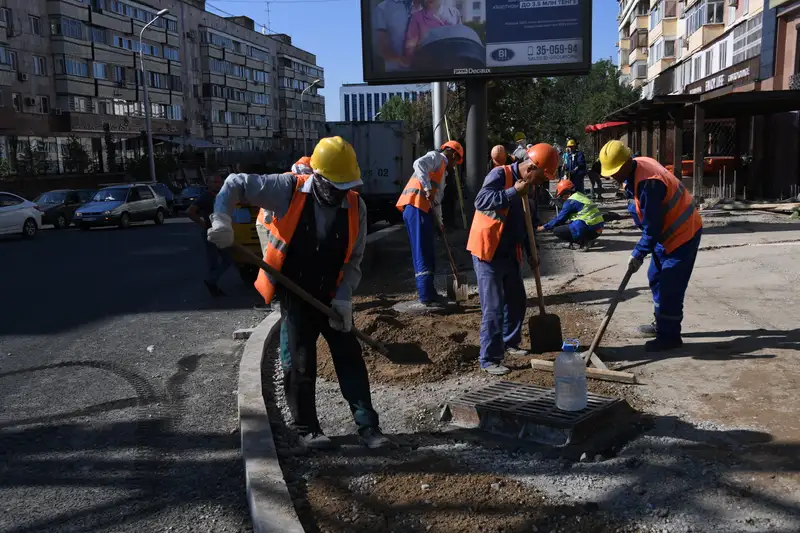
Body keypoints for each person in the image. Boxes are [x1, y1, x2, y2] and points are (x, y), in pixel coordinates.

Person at [207, 136, 391, 450]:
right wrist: (221, 219)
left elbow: (355, 258)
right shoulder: (286, 189)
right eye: (335, 187)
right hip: (294, 288)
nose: (340, 195)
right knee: (300, 360)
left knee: (350, 356)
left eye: (346, 187)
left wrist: (344, 297)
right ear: (317, 178)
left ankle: (369, 427)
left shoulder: (355, 205)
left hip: (331, 291)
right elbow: (236, 182)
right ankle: (307, 428)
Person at [599, 140, 703, 352]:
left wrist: (638, 253)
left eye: (616, 171)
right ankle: (662, 324)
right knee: (655, 277)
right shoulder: (638, 165)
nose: (613, 176)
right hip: (666, 235)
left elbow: (652, 228)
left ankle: (670, 337)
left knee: (669, 286)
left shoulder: (649, 184)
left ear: (627, 162)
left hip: (682, 233)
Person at [467, 143, 559, 376]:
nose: (541, 183)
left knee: (517, 301)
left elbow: (528, 224)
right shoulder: (500, 174)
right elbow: (481, 201)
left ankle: (510, 342)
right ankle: (489, 358)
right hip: (488, 251)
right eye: (540, 178)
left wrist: (532, 251)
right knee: (494, 307)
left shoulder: (530, 189)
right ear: (532, 168)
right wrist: (512, 193)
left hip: (510, 252)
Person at [396, 140, 464, 309]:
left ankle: (430, 292)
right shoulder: (437, 158)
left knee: (428, 251)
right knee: (422, 251)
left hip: (423, 210)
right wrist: (426, 188)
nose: (455, 166)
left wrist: (439, 223)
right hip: (416, 206)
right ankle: (426, 295)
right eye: (456, 162)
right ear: (453, 155)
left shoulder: (441, 173)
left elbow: (436, 201)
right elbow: (418, 164)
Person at [187, 175, 233, 297]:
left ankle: (212, 281)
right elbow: (190, 211)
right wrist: (203, 223)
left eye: (219, 181)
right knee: (213, 261)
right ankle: (213, 285)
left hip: (222, 231)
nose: (217, 184)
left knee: (228, 259)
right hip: (210, 232)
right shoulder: (205, 197)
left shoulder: (223, 195)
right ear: (208, 184)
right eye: (214, 182)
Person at [537, 179, 604, 251]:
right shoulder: (580, 195)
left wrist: (544, 227)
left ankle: (581, 243)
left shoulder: (570, 202)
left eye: (562, 195)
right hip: (598, 229)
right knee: (571, 224)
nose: (562, 198)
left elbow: (559, 219)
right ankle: (588, 239)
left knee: (557, 230)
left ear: (567, 193)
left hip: (588, 227)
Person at [373, 0, 412, 72]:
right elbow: (381, 46)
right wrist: (400, 59)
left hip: (427, 69)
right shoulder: (382, 8)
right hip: (396, 73)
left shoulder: (426, 3)